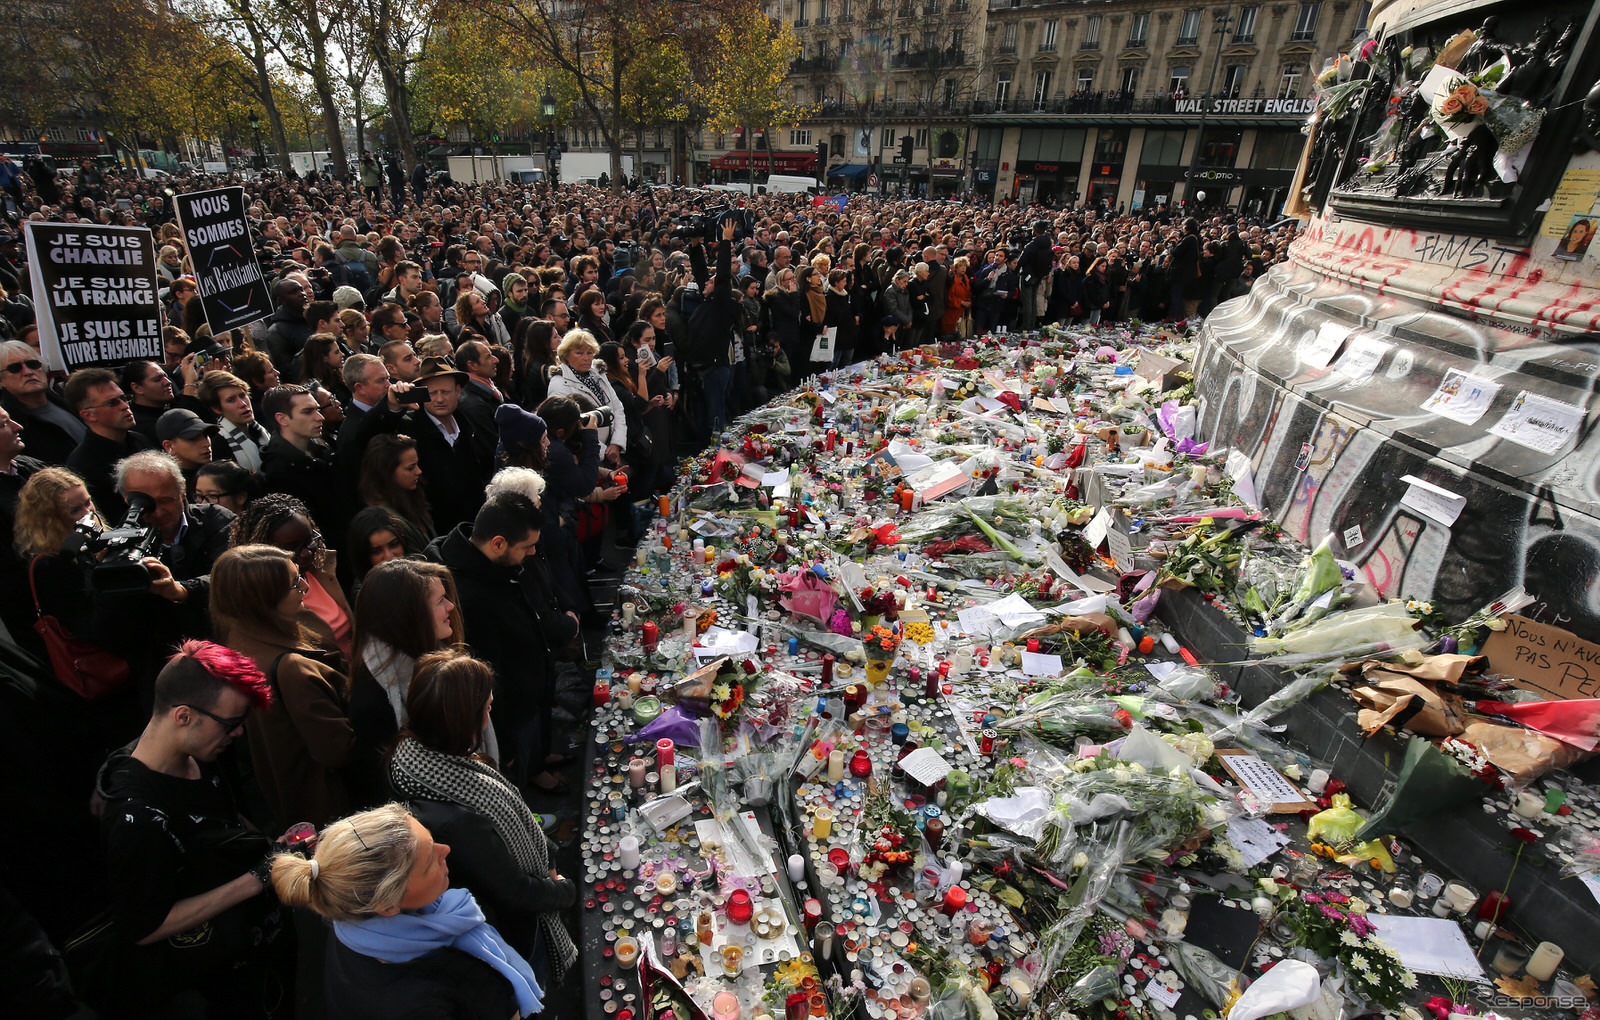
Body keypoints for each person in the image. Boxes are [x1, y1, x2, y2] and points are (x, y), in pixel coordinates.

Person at [93, 640, 292, 1017]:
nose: (238, 735)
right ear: (183, 715)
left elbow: (227, 819)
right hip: (227, 974)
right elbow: (143, 927)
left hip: (264, 944)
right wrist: (257, 878)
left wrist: (269, 846)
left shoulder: (197, 752)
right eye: (232, 724)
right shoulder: (137, 818)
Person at [388, 651, 577, 983]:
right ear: (463, 720)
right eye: (486, 708)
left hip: (500, 910)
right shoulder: (460, 817)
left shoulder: (411, 761)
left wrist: (545, 850)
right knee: (533, 992)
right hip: (516, 935)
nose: (490, 716)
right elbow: (514, 891)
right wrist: (564, 891)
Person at [269, 803, 541, 1020]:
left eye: (433, 841)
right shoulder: (411, 1005)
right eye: (429, 862)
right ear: (388, 905)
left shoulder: (354, 919)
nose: (446, 850)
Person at [213, 543, 367, 827]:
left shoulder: (241, 633)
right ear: (263, 599)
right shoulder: (290, 668)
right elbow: (338, 749)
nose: (305, 588)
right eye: (294, 584)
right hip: (338, 811)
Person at [425, 492, 558, 792]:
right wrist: (507, 746)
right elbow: (488, 674)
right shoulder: (468, 597)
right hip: (510, 709)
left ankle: (537, 763)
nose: (534, 552)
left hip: (529, 691)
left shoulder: (493, 564)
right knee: (516, 774)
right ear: (498, 543)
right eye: (527, 546)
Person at [347, 559, 468, 760]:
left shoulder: (436, 653)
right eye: (440, 601)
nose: (451, 605)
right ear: (409, 616)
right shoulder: (373, 701)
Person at [230, 493, 353, 661]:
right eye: (290, 547)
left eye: (309, 541)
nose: (306, 552)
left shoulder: (326, 568)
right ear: (262, 549)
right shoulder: (257, 603)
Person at [63, 367, 153, 521]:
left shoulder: (141, 440)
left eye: (124, 398)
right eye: (112, 403)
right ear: (88, 414)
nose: (124, 406)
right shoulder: (82, 466)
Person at [544, 329, 628, 465]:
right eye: (579, 353)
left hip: (611, 447)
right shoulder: (559, 383)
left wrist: (617, 443)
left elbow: (617, 407)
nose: (586, 358)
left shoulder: (598, 373)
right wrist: (605, 452)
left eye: (590, 353)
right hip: (588, 454)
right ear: (566, 355)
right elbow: (571, 428)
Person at [359, 433, 435, 551]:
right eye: (410, 468)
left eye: (417, 465)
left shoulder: (412, 500)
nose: (419, 471)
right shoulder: (386, 521)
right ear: (387, 473)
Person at [200, 370, 270, 473]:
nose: (242, 404)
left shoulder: (261, 430)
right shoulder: (219, 444)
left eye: (242, 395)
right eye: (231, 400)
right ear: (217, 409)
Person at [156, 407, 218, 499]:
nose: (206, 443)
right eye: (193, 438)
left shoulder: (221, 473)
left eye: (205, 435)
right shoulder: (167, 487)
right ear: (169, 446)